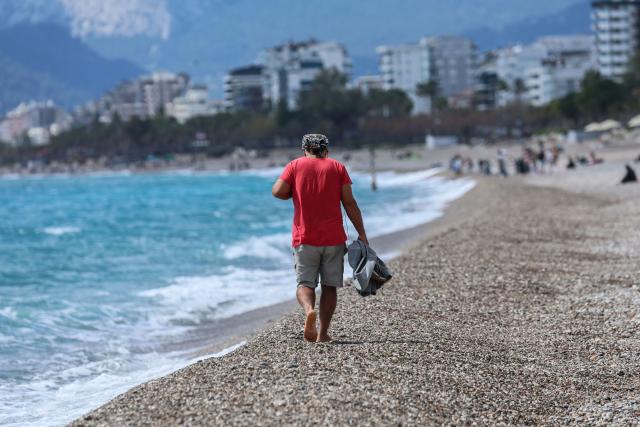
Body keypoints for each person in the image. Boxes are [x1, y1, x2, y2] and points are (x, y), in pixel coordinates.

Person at [272, 134, 368, 343]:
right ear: (326, 150)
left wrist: (294, 193)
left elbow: (277, 191)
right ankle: (323, 334)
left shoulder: (295, 165)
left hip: (305, 238)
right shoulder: (337, 167)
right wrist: (361, 233)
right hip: (333, 239)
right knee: (330, 286)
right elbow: (349, 203)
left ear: (304, 149)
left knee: (305, 283)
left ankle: (308, 311)